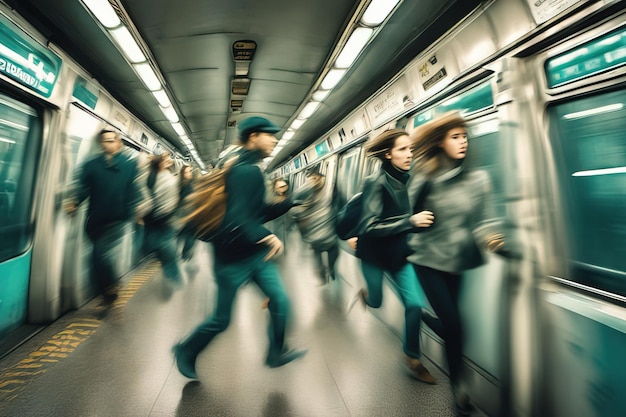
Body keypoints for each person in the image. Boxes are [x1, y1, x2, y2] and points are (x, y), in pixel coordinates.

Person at [172, 116, 307, 379]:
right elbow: (238, 217)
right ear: (253, 137)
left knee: (280, 300)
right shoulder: (247, 171)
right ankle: (185, 350)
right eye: (270, 135)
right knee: (222, 319)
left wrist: (287, 203)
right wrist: (267, 236)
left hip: (253, 255)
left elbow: (255, 212)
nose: (275, 140)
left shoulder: (250, 168)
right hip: (232, 259)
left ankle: (276, 352)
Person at [405, 112, 505, 415]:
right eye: (455, 137)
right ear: (440, 142)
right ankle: (459, 391)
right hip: (427, 259)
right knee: (456, 324)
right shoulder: (425, 177)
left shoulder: (478, 179)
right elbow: (403, 215)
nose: (463, 142)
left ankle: (429, 319)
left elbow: (483, 221)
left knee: (452, 324)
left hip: (457, 260)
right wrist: (413, 220)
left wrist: (492, 239)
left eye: (465, 136)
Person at [349, 128, 436, 384]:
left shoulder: (411, 178)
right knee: (376, 301)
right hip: (374, 254)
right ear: (388, 154)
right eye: (402, 149)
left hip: (399, 253)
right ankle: (367, 294)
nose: (410, 154)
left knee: (414, 305)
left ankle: (412, 358)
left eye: (410, 148)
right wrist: (410, 222)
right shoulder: (374, 182)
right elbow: (369, 227)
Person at [64, 129, 139, 309]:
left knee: (99, 253)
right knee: (97, 257)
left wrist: (133, 211)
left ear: (119, 142)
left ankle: (110, 288)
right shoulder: (91, 165)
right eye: (105, 141)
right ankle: (108, 289)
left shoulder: (130, 165)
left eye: (112, 140)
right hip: (95, 219)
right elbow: (84, 187)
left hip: (117, 218)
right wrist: (74, 202)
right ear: (101, 143)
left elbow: (133, 190)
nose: (109, 144)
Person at [291, 170, 339, 283]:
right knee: (318, 252)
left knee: (333, 251)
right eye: (312, 178)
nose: (315, 181)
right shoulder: (305, 191)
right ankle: (322, 273)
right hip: (313, 229)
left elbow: (336, 203)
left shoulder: (330, 189)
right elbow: (294, 202)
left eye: (317, 178)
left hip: (328, 227)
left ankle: (331, 268)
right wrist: (308, 186)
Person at [142, 152, 182, 287]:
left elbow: (173, 197)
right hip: (153, 217)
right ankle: (169, 268)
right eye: (167, 159)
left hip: (166, 217)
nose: (170, 161)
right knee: (154, 244)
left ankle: (174, 274)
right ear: (160, 163)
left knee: (168, 247)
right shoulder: (150, 177)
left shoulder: (169, 176)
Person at [178, 165, 196, 261]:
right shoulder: (185, 185)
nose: (189, 174)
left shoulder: (189, 183)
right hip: (188, 214)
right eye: (187, 172)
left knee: (183, 234)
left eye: (190, 171)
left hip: (187, 214)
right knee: (191, 235)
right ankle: (185, 254)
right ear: (182, 174)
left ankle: (185, 253)